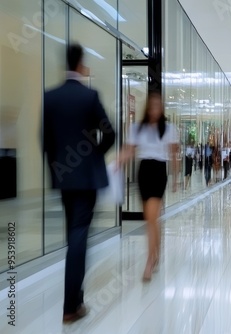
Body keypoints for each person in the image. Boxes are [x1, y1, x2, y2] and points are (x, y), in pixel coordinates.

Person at [43, 44, 116, 323]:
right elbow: (109, 133)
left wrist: (57, 168)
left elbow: (46, 141)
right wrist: (95, 155)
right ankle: (71, 307)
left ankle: (76, 300)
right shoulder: (89, 96)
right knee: (78, 236)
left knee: (72, 233)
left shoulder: (50, 97)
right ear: (81, 64)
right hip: (87, 178)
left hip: (64, 177)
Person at [117, 92, 179, 281]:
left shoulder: (169, 129)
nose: (154, 110)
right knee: (151, 218)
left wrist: (176, 178)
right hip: (143, 171)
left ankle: (149, 262)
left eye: (158, 106)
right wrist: (116, 163)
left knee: (152, 217)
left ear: (161, 109)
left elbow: (174, 155)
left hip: (159, 171)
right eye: (151, 106)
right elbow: (128, 151)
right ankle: (156, 253)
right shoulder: (137, 128)